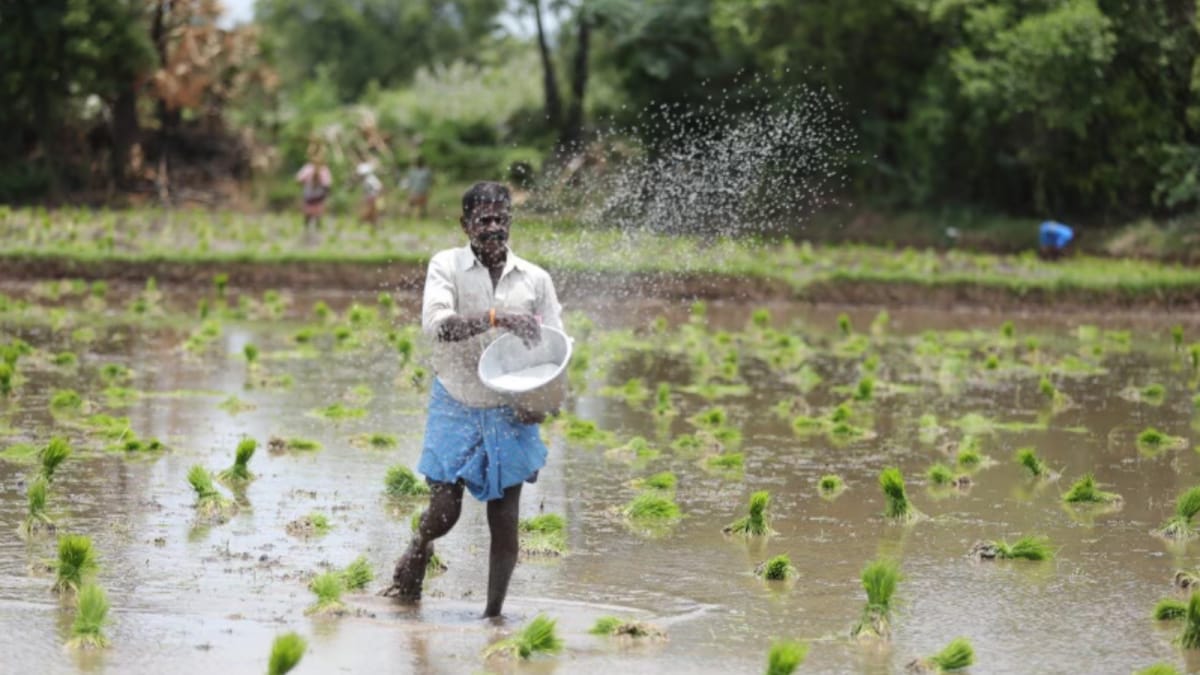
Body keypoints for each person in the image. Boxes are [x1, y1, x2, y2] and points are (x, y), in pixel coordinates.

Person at [384, 181, 563, 618]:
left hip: (509, 409)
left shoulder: (535, 279)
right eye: (483, 219)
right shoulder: (446, 266)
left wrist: (548, 400)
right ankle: (419, 545)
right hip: (456, 400)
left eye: (501, 218)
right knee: (445, 512)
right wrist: (495, 318)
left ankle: (493, 615)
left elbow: (557, 348)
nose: (494, 227)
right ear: (465, 224)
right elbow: (438, 326)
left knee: (505, 521)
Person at [296, 145, 332, 229]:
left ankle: (307, 232)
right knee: (317, 218)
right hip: (317, 198)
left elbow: (299, 180)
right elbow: (328, 185)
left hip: (310, 197)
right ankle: (315, 233)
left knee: (308, 217)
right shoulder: (324, 169)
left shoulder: (308, 168)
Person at [356, 160, 384, 227]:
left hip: (373, 198)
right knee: (369, 214)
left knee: (372, 213)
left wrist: (376, 197)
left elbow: (379, 188)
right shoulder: (365, 180)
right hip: (369, 198)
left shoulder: (371, 179)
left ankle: (376, 225)